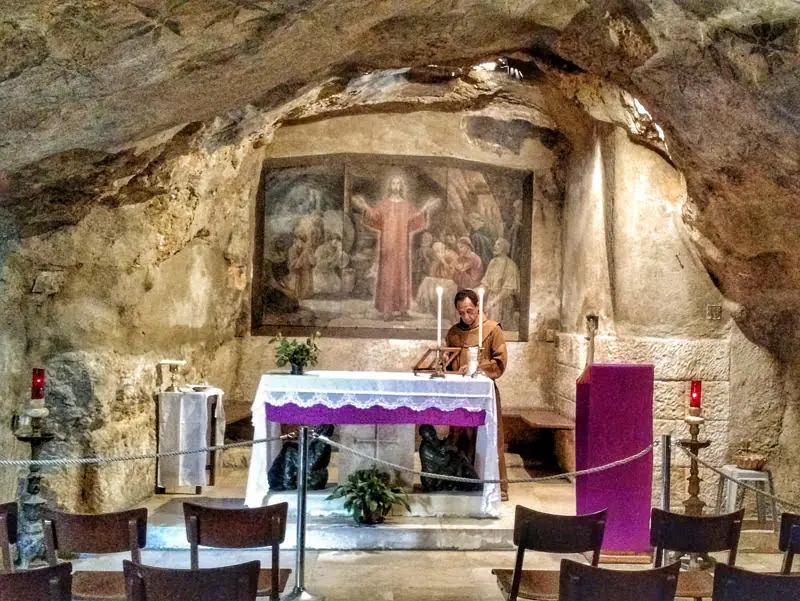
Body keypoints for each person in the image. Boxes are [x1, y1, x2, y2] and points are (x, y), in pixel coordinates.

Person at [445, 288, 509, 500]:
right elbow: (449, 364)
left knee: (487, 437)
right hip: (460, 394)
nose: (466, 316)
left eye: (470, 311)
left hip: (484, 394)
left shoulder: (492, 330)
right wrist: (444, 361)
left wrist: (476, 367)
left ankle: (493, 484)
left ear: (478, 307)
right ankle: (461, 482)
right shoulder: (453, 333)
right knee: (460, 437)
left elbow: (500, 362)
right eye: (461, 312)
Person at [351, 174, 439, 320]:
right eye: (393, 183)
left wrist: (425, 208)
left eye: (398, 184)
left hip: (402, 246)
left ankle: (402, 308)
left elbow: (415, 219)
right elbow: (374, 217)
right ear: (390, 186)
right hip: (387, 246)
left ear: (401, 187)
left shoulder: (406, 205)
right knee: (387, 275)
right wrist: (365, 206)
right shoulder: (383, 204)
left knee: (401, 275)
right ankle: (387, 309)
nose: (396, 186)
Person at [481, 237, 520, 331]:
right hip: (491, 299)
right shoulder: (492, 263)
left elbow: (508, 290)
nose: (495, 246)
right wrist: (478, 297)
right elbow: (486, 283)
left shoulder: (510, 265)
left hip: (503, 302)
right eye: (495, 244)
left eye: (498, 244)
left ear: (505, 248)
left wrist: (493, 302)